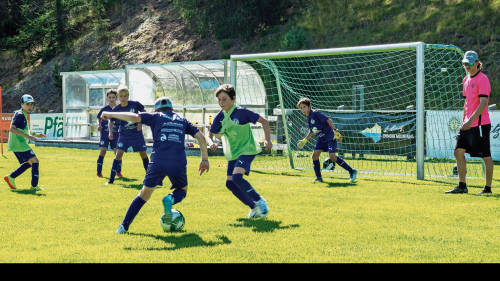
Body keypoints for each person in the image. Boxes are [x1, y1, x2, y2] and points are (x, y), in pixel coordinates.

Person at [100, 97, 209, 234]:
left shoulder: (155, 116)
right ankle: (170, 198)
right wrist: (204, 159)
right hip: (177, 161)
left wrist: (110, 114)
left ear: (155, 110)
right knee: (182, 189)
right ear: (172, 109)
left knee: (144, 195)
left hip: (157, 160)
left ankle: (123, 227)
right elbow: (201, 138)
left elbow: (134, 117)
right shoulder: (183, 120)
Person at [207, 84, 272, 218]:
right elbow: (209, 134)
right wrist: (211, 143)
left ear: (233, 98)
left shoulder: (242, 112)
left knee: (237, 177)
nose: (221, 102)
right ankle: (254, 207)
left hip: (247, 150)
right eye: (219, 100)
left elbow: (264, 121)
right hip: (234, 153)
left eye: (224, 99)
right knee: (230, 183)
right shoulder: (219, 117)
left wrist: (268, 140)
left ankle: (260, 201)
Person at [446, 50, 493, 195]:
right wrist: (463, 121)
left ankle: (487, 189)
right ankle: (462, 185)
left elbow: (483, 103)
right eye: (465, 63)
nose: (467, 66)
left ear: (477, 63)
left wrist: (471, 120)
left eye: (470, 63)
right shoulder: (465, 80)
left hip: (480, 124)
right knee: (458, 151)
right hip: (466, 124)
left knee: (485, 156)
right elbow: (467, 103)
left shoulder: (483, 79)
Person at [296, 97, 357, 183]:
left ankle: (351, 171)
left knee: (332, 157)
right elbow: (312, 131)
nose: (303, 109)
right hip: (321, 138)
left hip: (330, 137)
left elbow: (328, 120)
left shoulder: (315, 113)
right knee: (314, 156)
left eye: (304, 107)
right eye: (301, 108)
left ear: (309, 106)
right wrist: (305, 140)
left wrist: (335, 131)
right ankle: (319, 178)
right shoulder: (308, 118)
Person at [3, 95, 47, 191]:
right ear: (22, 104)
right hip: (19, 144)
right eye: (27, 104)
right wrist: (28, 136)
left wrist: (36, 134)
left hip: (17, 144)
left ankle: (11, 177)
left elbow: (24, 130)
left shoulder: (22, 114)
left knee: (29, 163)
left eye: (31, 104)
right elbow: (12, 129)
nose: (30, 106)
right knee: (35, 161)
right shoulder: (20, 114)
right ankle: (34, 186)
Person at [106, 85, 148, 184]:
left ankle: (150, 179)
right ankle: (111, 180)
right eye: (121, 96)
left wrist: (140, 122)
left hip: (136, 134)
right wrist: (110, 132)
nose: (123, 98)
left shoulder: (135, 104)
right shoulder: (116, 109)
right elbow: (111, 121)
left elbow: (144, 112)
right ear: (118, 97)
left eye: (125, 96)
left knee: (143, 154)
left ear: (128, 96)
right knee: (118, 155)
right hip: (124, 135)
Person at [96, 89, 122, 178]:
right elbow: (98, 118)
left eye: (113, 97)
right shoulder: (104, 109)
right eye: (110, 97)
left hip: (116, 134)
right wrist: (98, 125)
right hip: (105, 133)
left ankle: (118, 172)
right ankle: (99, 172)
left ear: (117, 98)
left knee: (117, 153)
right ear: (107, 98)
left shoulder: (119, 109)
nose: (111, 99)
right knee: (103, 151)